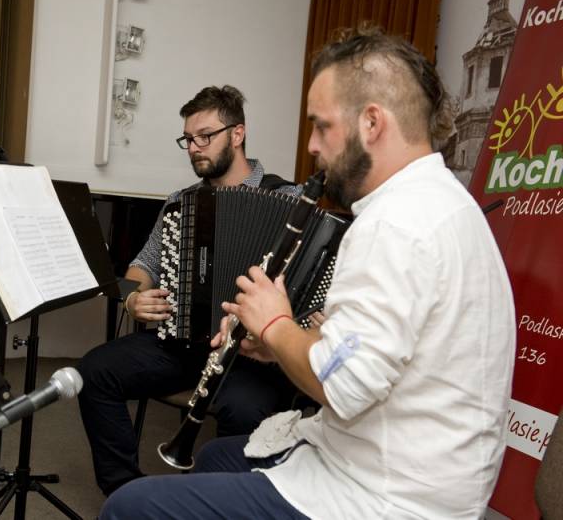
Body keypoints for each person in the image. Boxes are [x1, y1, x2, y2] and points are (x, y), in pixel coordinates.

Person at [100, 28, 516, 519]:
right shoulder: (435, 200)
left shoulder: (395, 225)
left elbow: (341, 386)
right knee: (215, 457)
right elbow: (375, 352)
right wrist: (275, 344)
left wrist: (275, 324)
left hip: (388, 495)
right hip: (393, 459)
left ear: (372, 122)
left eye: (321, 126)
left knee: (130, 508)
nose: (313, 145)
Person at [78, 85, 305, 496]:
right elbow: (138, 270)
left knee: (245, 409)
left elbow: (308, 286)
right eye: (188, 139)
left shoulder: (290, 200)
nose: (194, 147)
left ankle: (221, 503)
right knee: (95, 371)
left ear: (237, 134)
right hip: (185, 343)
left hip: (253, 354)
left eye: (205, 136)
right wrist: (132, 298)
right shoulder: (180, 203)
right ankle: (125, 492)